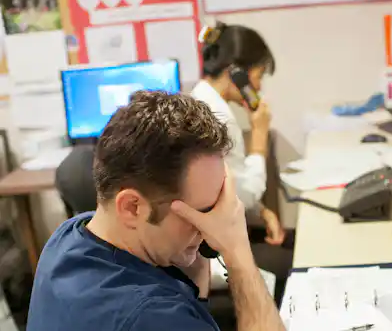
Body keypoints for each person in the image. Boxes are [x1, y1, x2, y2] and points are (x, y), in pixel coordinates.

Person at [27, 90, 285, 331]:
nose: (211, 228)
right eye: (202, 212)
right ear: (132, 207)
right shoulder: (153, 316)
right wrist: (237, 250)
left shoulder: (69, 235)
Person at [191, 21, 286, 247]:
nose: (259, 87)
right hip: (210, 249)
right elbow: (245, 196)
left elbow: (225, 189)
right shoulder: (218, 117)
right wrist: (259, 135)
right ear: (237, 73)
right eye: (259, 75)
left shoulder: (200, 99)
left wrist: (260, 211)